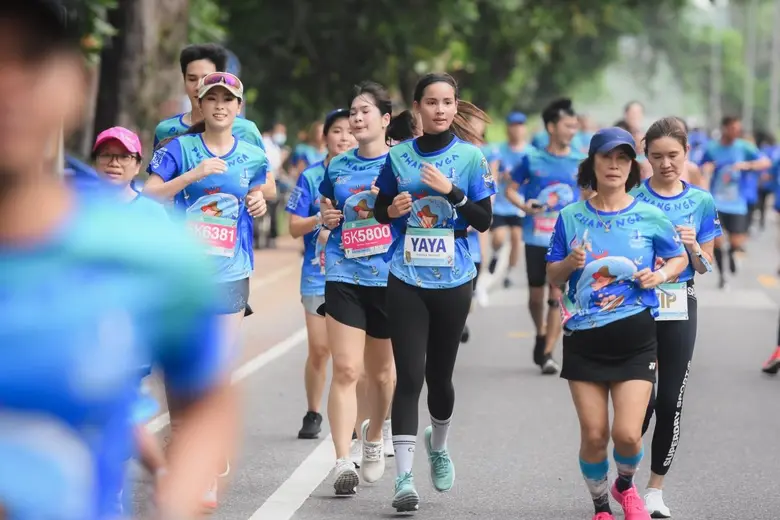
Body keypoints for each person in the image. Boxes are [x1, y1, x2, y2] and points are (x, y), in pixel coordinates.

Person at [0, 2, 237, 518]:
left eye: (31, 60)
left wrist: (179, 487)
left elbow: (207, 396)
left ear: (74, 86)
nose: (9, 85)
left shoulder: (146, 249)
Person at [546, 127, 688, 520]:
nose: (614, 165)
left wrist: (661, 276)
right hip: (583, 340)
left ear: (631, 166)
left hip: (636, 339)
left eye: (623, 158)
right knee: (594, 435)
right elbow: (553, 277)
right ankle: (599, 506)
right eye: (607, 157)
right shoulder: (570, 217)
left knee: (626, 434)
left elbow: (679, 258)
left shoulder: (650, 215)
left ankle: (624, 486)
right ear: (592, 163)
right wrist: (569, 264)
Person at [145, 71, 269, 509]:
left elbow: (262, 189)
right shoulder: (178, 148)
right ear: (199, 103)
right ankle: (185, 443)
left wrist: (259, 199)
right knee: (181, 372)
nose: (219, 105)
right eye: (211, 98)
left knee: (215, 369)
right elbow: (150, 192)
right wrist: (192, 174)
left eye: (228, 99)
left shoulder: (253, 153)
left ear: (239, 108)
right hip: (183, 275)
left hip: (232, 272)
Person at [374, 72, 495, 512]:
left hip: (454, 281)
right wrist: (392, 208)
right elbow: (379, 211)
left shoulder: (470, 159)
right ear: (418, 108)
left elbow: (484, 220)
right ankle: (403, 479)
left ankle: (438, 446)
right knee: (408, 377)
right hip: (405, 278)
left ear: (455, 107)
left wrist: (453, 194)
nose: (440, 109)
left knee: (439, 379)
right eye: (431, 102)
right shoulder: (399, 157)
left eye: (447, 102)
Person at [631, 117, 722, 518]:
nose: (666, 163)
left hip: (680, 302)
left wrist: (692, 249)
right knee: (639, 402)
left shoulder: (701, 201)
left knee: (669, 400)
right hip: (636, 304)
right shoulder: (633, 198)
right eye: (656, 156)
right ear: (645, 156)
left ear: (686, 154)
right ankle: (623, 479)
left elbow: (706, 266)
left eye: (673, 155)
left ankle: (654, 490)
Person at [318, 82, 397, 496]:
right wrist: (328, 219)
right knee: (347, 369)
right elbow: (328, 208)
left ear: (385, 120)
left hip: (388, 278)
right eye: (353, 111)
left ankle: (372, 438)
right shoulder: (337, 166)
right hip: (343, 273)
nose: (357, 118)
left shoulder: (401, 165)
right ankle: (340, 460)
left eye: (365, 111)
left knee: (382, 374)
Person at [286, 108, 356, 439]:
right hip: (317, 273)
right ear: (324, 137)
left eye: (349, 131)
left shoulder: (367, 173)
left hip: (357, 273)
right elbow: (292, 227)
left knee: (353, 356)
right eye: (336, 131)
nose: (344, 137)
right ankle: (313, 412)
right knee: (319, 348)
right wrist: (321, 218)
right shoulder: (311, 177)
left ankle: (356, 415)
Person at [505, 98, 585, 375]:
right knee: (536, 296)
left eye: (575, 126)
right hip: (535, 238)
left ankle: (549, 352)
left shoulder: (581, 161)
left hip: (564, 242)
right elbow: (511, 189)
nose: (573, 131)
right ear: (551, 127)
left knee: (556, 295)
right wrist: (524, 206)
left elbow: (590, 195)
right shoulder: (533, 159)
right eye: (567, 125)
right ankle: (540, 332)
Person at [697, 116, 770, 289]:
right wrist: (706, 171)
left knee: (736, 241)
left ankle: (732, 254)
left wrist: (747, 165)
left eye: (738, 128)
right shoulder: (712, 148)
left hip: (737, 202)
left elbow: (765, 162)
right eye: (733, 128)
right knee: (718, 240)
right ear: (724, 128)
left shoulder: (744, 147)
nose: (736, 131)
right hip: (716, 201)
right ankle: (723, 276)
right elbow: (700, 168)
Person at [487, 112, 530, 289]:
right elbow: (492, 172)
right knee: (498, 237)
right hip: (501, 205)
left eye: (520, 125)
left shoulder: (531, 152)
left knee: (516, 239)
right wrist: (499, 177)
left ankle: (509, 272)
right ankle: (496, 254)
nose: (517, 129)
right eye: (513, 125)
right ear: (507, 128)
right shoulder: (498, 150)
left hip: (520, 204)